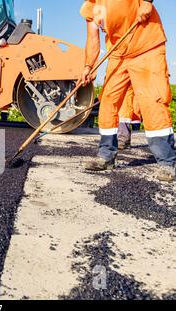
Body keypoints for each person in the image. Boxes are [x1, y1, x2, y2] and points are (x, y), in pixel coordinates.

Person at [79, 0, 175, 182]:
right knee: (108, 100)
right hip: (118, 54)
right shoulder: (90, 7)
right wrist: (88, 66)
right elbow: (92, 39)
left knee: (152, 101)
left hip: (147, 47)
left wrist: (147, 2)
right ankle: (106, 156)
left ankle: (166, 163)